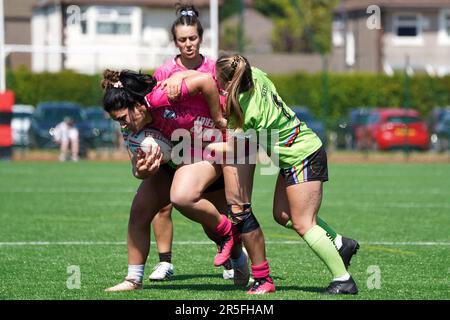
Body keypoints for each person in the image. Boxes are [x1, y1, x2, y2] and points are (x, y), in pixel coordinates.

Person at [210, 54, 359, 294]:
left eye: (218, 79)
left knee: (303, 222)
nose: (215, 82)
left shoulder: (247, 109)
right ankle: (340, 243)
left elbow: (238, 148)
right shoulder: (256, 76)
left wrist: (207, 147)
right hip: (294, 157)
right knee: (282, 214)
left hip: (304, 155)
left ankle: (343, 279)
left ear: (229, 82)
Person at [101, 69, 249, 292]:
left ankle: (239, 262)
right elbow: (136, 167)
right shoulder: (130, 128)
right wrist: (143, 170)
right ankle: (133, 279)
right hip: (178, 161)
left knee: (204, 219)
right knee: (140, 210)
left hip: (212, 150)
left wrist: (218, 117)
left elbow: (206, 80)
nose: (121, 125)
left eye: (122, 118)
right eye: (116, 120)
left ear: (137, 105)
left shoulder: (159, 98)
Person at [147, 2, 235, 281]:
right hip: (174, 146)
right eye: (182, 39)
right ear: (175, 41)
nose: (188, 44)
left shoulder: (215, 69)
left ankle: (233, 259)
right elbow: (153, 108)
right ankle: (164, 262)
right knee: (162, 205)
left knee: (219, 210)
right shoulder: (162, 73)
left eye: (193, 38)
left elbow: (226, 105)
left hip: (209, 149)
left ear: (201, 37)